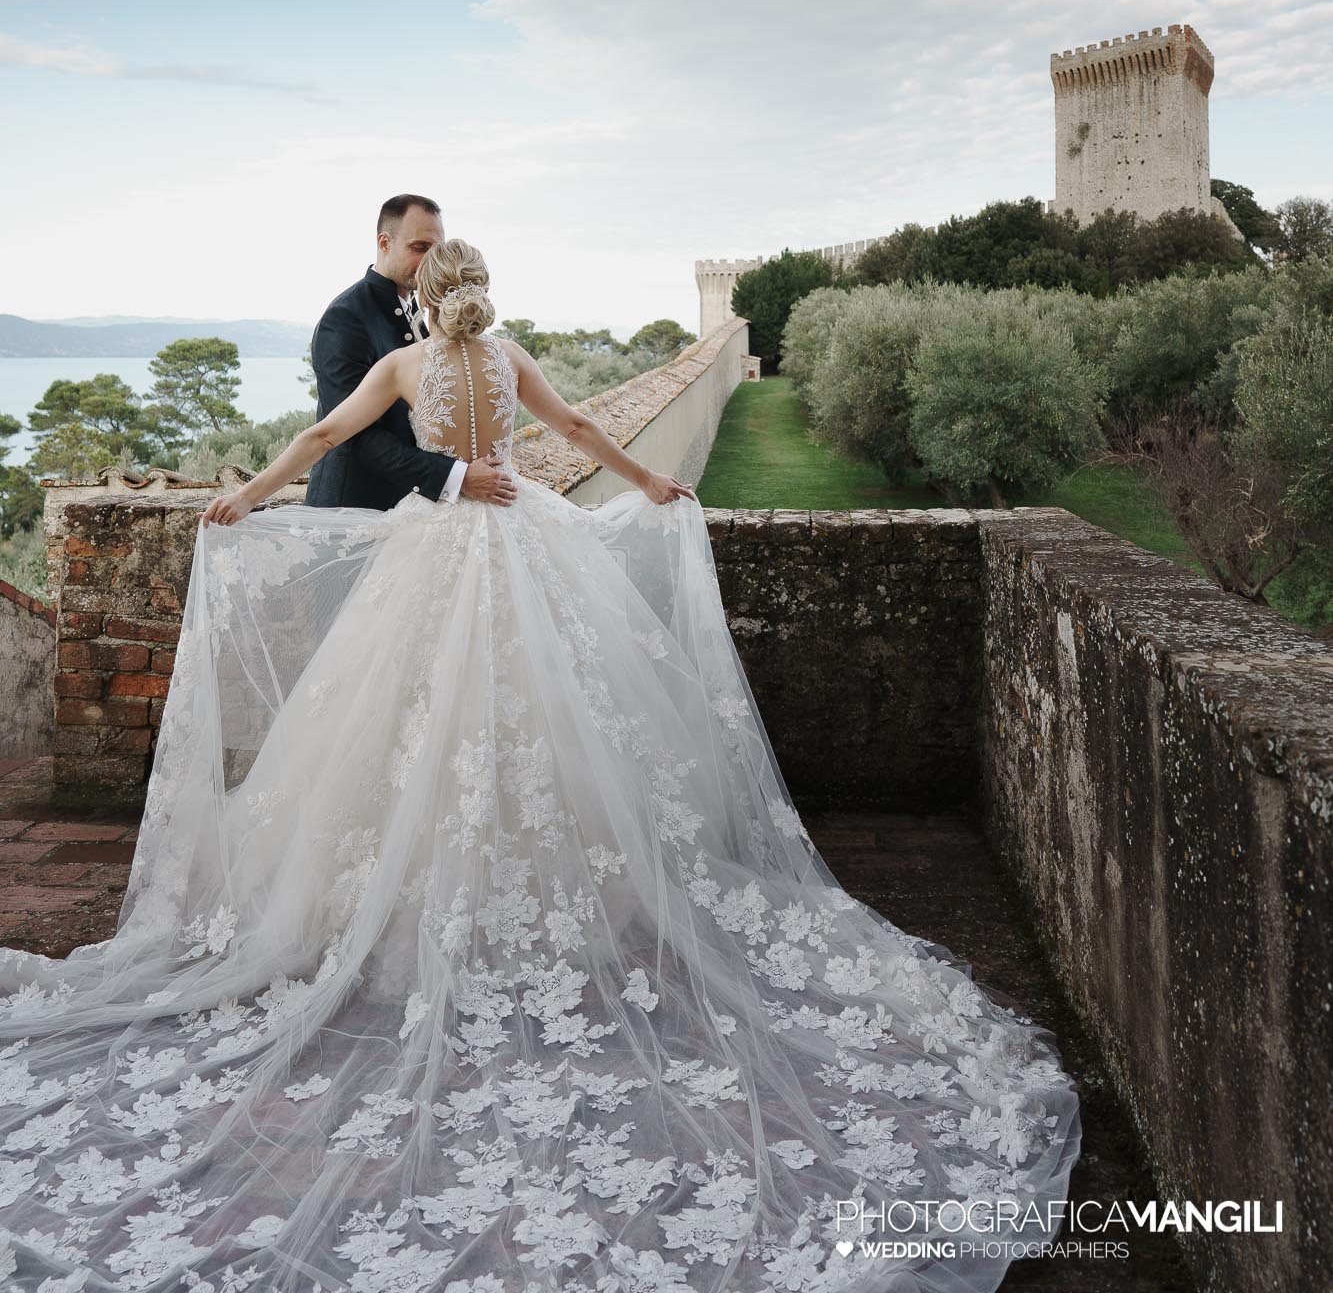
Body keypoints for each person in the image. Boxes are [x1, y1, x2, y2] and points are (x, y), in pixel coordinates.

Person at [0, 238, 1081, 1291]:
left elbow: (328, 431)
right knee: (565, 719)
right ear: (483, 289)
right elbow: (574, 425)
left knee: (408, 732)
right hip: (526, 537)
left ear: (420, 291)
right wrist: (651, 480)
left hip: (437, 547)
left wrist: (251, 496)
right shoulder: (505, 355)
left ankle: (410, 904)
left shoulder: (402, 362)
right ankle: (566, 893)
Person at [304, 193, 516, 511]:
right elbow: (355, 434)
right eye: (420, 248)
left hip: (415, 509)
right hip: (352, 508)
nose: (432, 261)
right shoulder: (345, 317)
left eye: (437, 249)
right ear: (384, 242)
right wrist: (456, 476)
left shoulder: (424, 310)